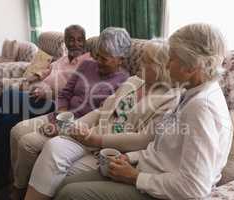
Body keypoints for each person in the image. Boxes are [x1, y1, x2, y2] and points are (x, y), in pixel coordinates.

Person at [53, 23, 233, 200]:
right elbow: (162, 148)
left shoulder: (201, 108)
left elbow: (194, 187)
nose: (167, 66)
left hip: (161, 189)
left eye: (172, 59)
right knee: (64, 184)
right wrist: (129, 158)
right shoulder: (190, 90)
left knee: (70, 194)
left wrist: (134, 177)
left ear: (191, 67)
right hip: (145, 168)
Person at [23, 39, 183, 200]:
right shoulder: (134, 81)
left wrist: (97, 140)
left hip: (114, 150)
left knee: (64, 172)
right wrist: (73, 127)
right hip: (93, 133)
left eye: (146, 61)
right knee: (53, 145)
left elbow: (144, 139)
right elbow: (102, 109)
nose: (140, 62)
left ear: (160, 67)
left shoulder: (170, 99)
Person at [0, 24, 91, 200]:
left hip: (53, 104)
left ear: (85, 42)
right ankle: (0, 177)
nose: (75, 43)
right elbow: (47, 71)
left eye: (80, 39)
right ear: (65, 41)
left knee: (9, 94)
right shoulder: (62, 59)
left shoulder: (88, 63)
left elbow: (77, 93)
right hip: (36, 97)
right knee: (6, 122)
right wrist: (34, 78)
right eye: (71, 39)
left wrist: (48, 92)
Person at [9, 27, 131, 199]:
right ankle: (17, 179)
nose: (98, 61)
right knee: (16, 130)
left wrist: (63, 127)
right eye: (98, 55)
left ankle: (20, 189)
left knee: (27, 143)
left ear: (121, 59)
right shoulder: (87, 65)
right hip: (61, 116)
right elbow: (65, 93)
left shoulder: (125, 82)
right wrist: (61, 116)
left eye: (105, 58)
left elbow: (102, 117)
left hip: (80, 129)